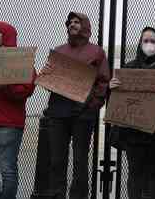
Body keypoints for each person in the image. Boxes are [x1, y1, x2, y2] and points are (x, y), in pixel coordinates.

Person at [39, 12, 110, 199]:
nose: (72, 24)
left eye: (77, 22)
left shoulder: (96, 52)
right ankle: (57, 195)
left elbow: (103, 82)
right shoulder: (59, 50)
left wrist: (91, 105)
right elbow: (52, 83)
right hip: (57, 112)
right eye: (70, 21)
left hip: (82, 114)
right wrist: (46, 75)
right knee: (56, 161)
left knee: (80, 161)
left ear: (85, 26)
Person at [109, 26, 155, 199]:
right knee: (134, 172)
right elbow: (117, 100)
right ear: (140, 44)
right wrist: (111, 88)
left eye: (153, 41)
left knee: (154, 172)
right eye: (145, 40)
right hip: (133, 131)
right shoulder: (129, 67)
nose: (149, 44)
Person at [0, 21, 36, 199]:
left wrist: (3, 85)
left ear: (8, 35)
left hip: (8, 125)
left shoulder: (21, 60)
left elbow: (26, 90)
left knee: (7, 170)